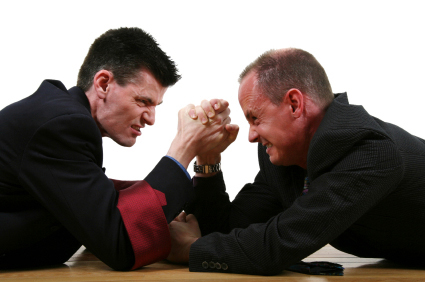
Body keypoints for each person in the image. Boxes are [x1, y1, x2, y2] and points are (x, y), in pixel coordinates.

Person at [167, 48, 425, 275]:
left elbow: (280, 244)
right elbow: (225, 231)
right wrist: (208, 158)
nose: (251, 136)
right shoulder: (282, 159)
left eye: (255, 118)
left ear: (294, 104)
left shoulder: (371, 151)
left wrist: (190, 248)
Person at [0, 27, 237, 270]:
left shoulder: (59, 116)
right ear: (103, 84)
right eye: (143, 101)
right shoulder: (61, 123)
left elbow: (93, 204)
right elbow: (123, 244)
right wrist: (184, 147)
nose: (151, 118)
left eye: (156, 105)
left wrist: (204, 159)